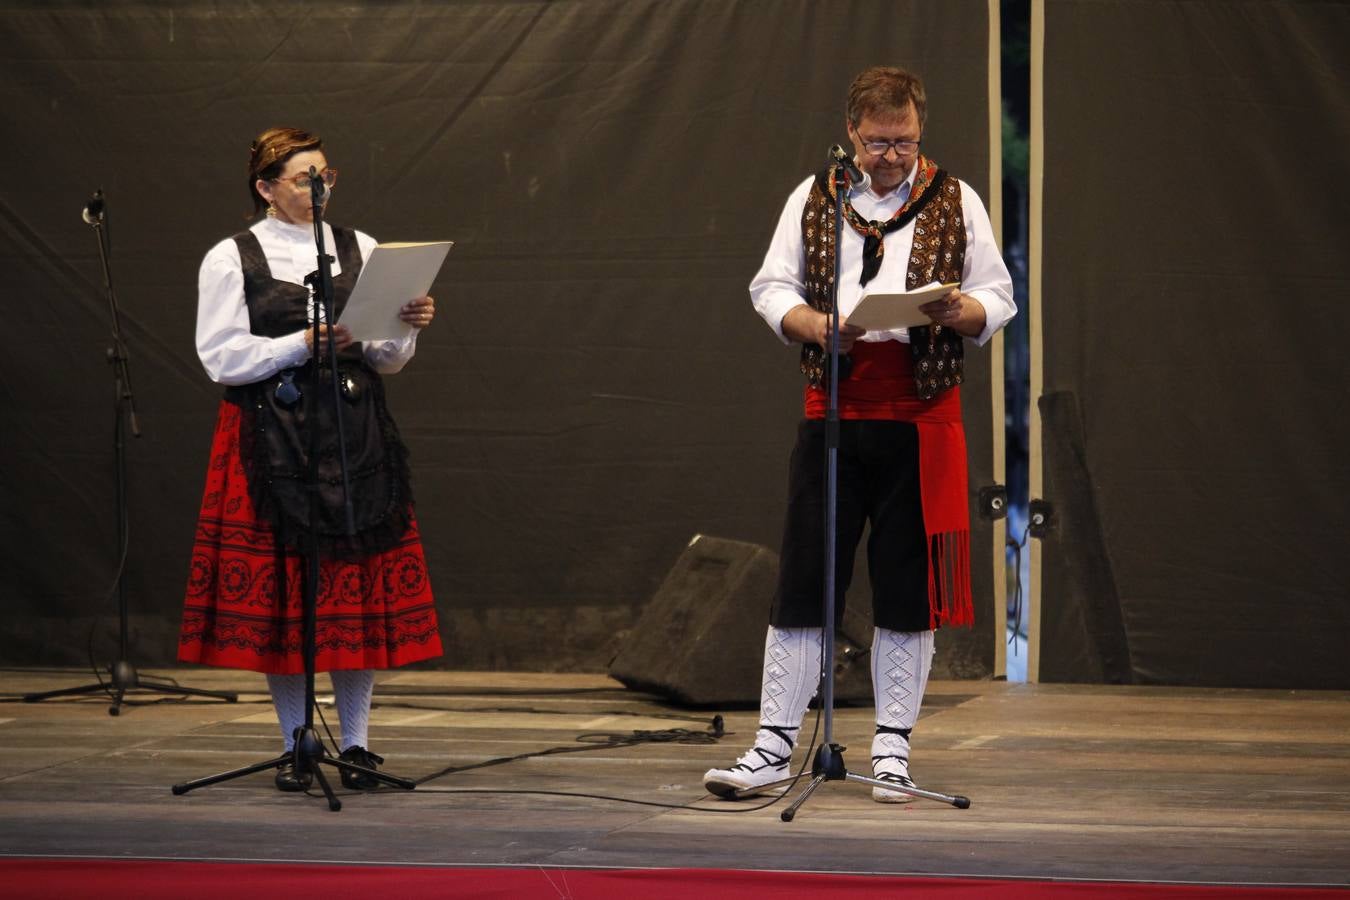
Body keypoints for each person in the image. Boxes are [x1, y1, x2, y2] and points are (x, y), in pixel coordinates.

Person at [704, 67, 1015, 802]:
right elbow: (770, 286)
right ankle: (774, 746)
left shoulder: (957, 198)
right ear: (852, 133)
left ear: (919, 132)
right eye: (879, 143)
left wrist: (956, 310)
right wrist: (813, 324)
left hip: (921, 413)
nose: (892, 157)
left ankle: (892, 752)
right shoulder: (815, 198)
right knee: (808, 579)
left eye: (904, 143)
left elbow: (997, 296)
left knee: (907, 585)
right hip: (836, 407)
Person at [178, 127, 444, 791]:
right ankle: (296, 740)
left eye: (324, 173)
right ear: (266, 188)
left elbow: (384, 357)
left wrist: (405, 325)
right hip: (269, 435)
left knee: (352, 590)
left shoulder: (363, 248)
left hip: (354, 433)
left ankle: (354, 744)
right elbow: (220, 356)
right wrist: (300, 342)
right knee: (287, 594)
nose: (318, 185)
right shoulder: (231, 256)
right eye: (302, 177)